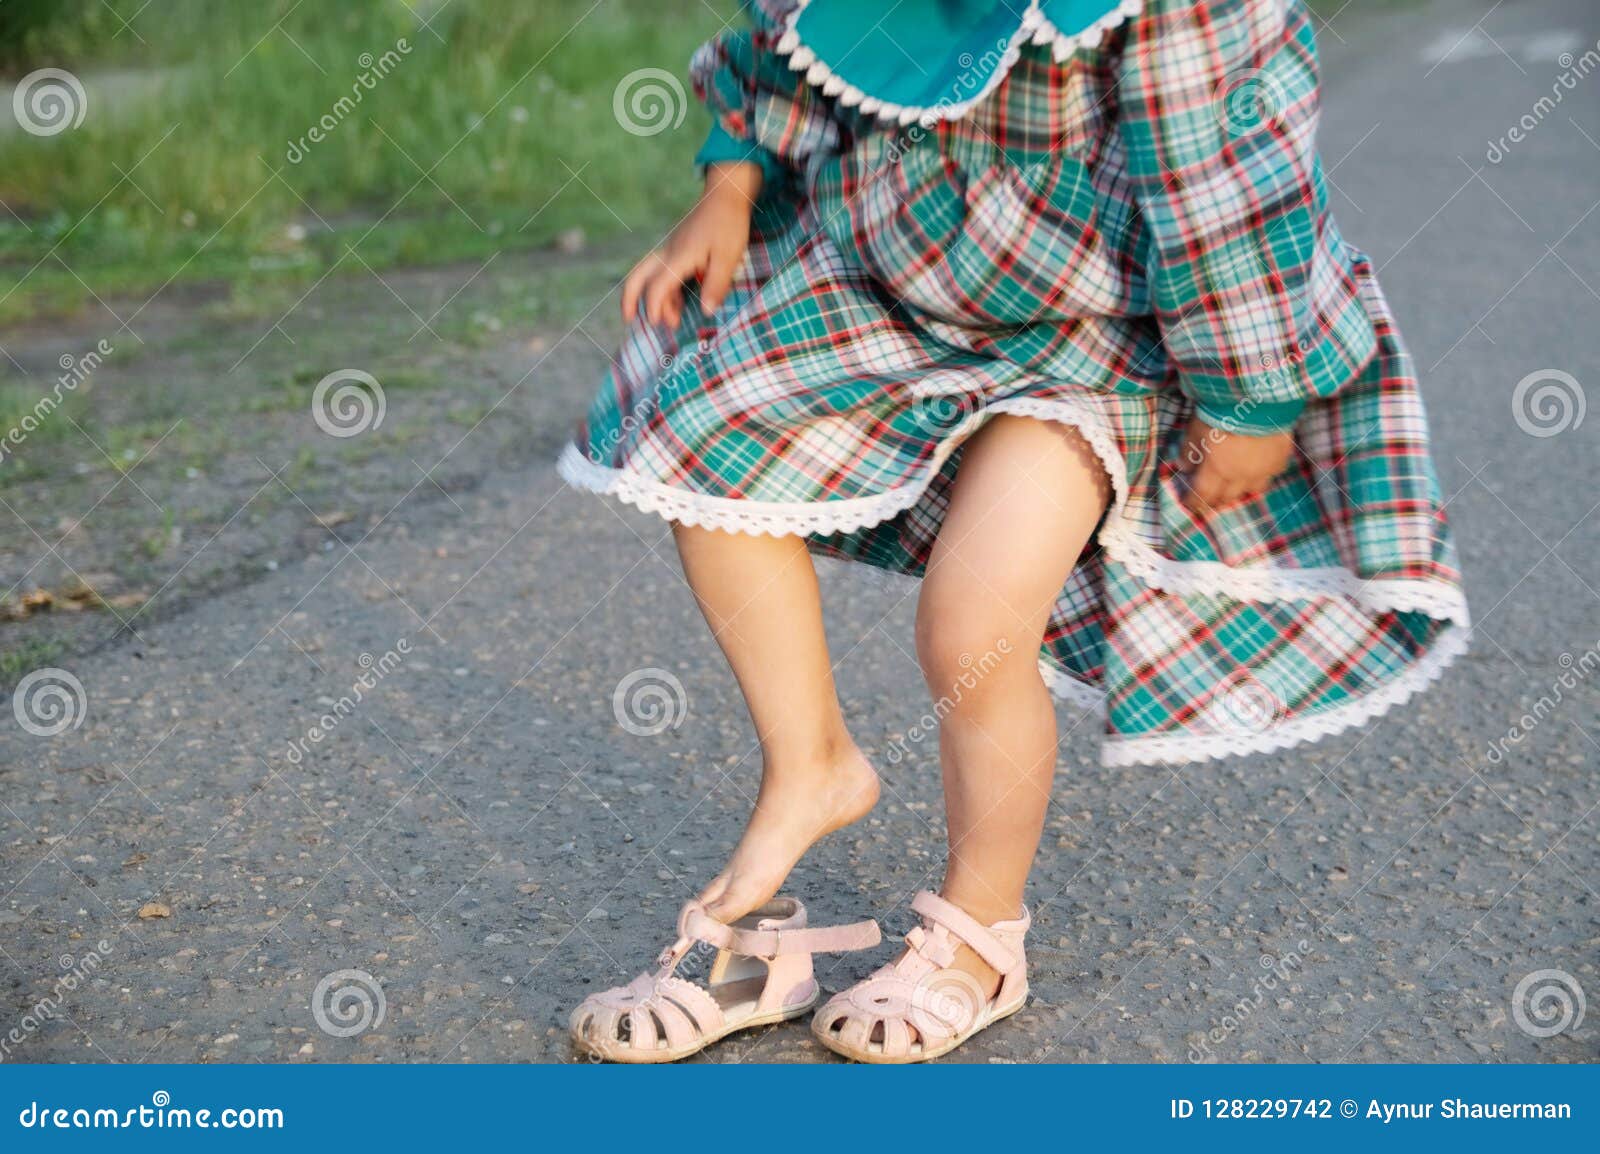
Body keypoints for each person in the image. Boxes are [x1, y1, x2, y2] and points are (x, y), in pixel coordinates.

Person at [560, 0, 1468, 1063]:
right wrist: (728, 186)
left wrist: (1247, 399)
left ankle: (980, 930)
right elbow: (775, 43)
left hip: (1097, 328)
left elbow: (1222, 184)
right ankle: (811, 764)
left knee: (973, 621)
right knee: (704, 423)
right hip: (889, 285)